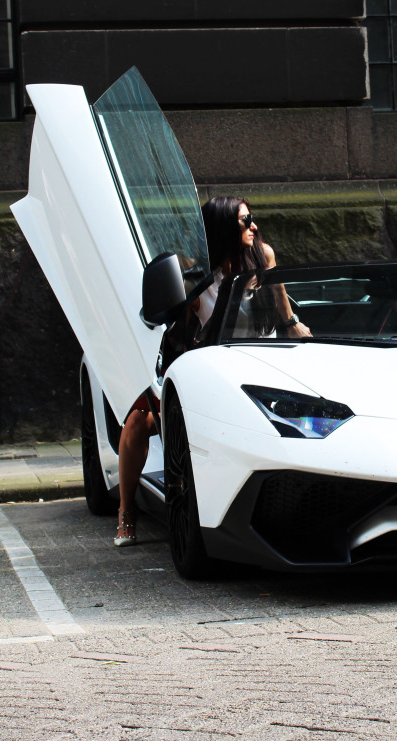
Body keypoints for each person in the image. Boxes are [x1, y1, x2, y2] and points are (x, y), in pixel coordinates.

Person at [114, 196, 310, 546]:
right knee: (137, 421)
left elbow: (280, 299)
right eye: (244, 220)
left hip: (267, 362)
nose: (253, 226)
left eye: (253, 218)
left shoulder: (262, 255)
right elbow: (181, 329)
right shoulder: (196, 275)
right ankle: (127, 512)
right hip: (216, 366)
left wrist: (294, 323)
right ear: (222, 228)